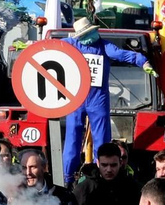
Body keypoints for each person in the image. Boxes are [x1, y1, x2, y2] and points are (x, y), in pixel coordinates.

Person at [58, 16, 152, 181]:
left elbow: (123, 54)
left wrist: (143, 62)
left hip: (97, 100)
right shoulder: (71, 44)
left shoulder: (104, 45)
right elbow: (50, 47)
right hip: (77, 99)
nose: (91, 36)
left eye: (91, 32)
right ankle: (66, 178)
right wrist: (30, 46)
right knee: (72, 139)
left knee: (102, 140)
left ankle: (101, 175)